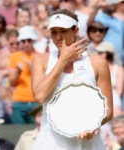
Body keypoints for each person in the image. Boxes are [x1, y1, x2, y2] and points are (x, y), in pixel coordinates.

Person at [31, 9, 113, 150]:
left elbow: (108, 110)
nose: (58, 37)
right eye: (54, 32)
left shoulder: (98, 63)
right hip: (50, 142)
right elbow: (40, 96)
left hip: (88, 141)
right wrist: (62, 61)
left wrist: (92, 125)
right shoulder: (40, 60)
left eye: (63, 31)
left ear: (75, 31)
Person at [9, 25, 38, 124]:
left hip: (35, 102)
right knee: (17, 135)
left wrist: (32, 68)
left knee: (36, 134)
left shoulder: (40, 56)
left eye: (29, 40)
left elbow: (43, 80)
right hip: (19, 102)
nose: (26, 43)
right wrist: (18, 71)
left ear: (33, 41)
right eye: (23, 41)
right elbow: (11, 82)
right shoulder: (14, 57)